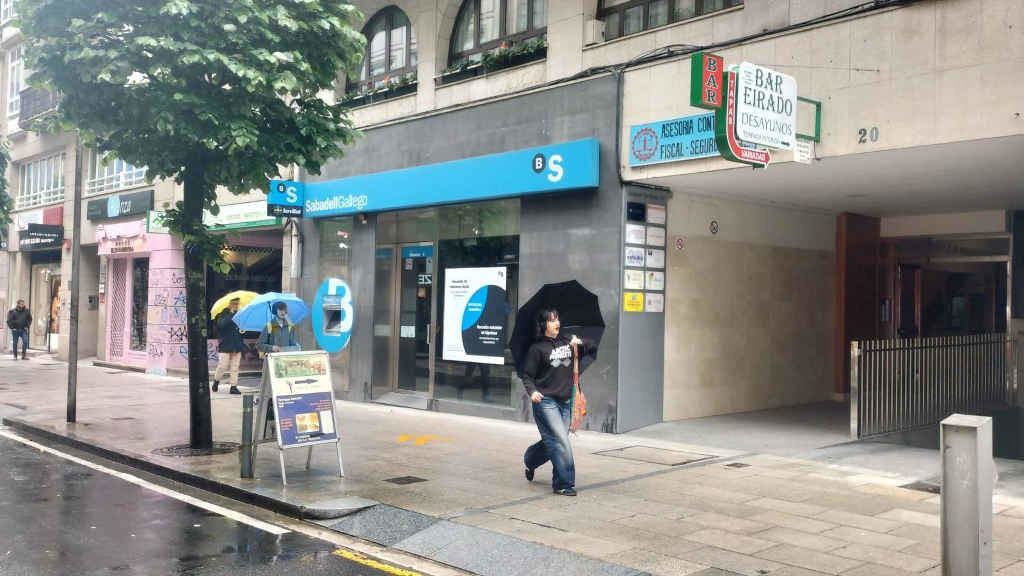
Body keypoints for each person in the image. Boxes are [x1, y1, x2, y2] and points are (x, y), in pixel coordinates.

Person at [520, 308, 595, 496]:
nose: (556, 323)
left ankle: (530, 459)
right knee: (561, 440)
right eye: (552, 320)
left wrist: (580, 342)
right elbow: (527, 375)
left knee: (553, 441)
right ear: (544, 324)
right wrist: (532, 391)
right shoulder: (537, 349)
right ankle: (564, 483)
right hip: (546, 401)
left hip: (565, 401)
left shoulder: (567, 341)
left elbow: (592, 346)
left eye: (557, 319)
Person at [212, 297, 245, 395]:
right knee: (223, 366)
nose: (236, 305)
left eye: (237, 303)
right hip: (225, 344)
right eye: (234, 303)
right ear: (229, 304)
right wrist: (231, 313)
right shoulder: (223, 313)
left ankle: (233, 387)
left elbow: (243, 326)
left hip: (237, 344)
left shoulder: (240, 314)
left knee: (235, 367)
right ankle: (216, 381)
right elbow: (221, 324)